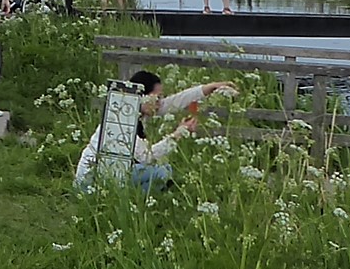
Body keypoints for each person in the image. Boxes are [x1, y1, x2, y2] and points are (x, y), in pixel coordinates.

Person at [71, 70, 239, 191]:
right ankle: (132, 204)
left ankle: (134, 204)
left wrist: (209, 88)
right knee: (162, 171)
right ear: (143, 96)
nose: (160, 103)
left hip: (104, 176)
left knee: (160, 172)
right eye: (157, 98)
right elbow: (146, 158)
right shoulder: (123, 120)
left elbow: (174, 102)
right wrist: (178, 134)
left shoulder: (129, 109)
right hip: (92, 180)